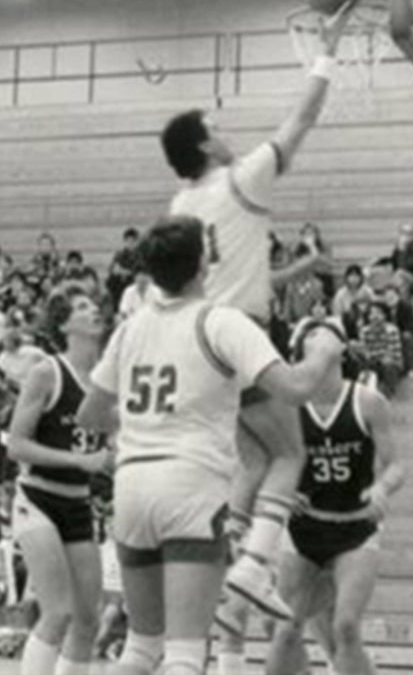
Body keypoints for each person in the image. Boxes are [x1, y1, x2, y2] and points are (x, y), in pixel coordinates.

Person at [75, 216, 343, 675]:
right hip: (190, 484)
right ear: (203, 263)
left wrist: (148, 422)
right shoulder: (221, 321)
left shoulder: (131, 326)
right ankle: (255, 565)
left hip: (132, 485)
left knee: (141, 647)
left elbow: (90, 415)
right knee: (184, 651)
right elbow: (295, 389)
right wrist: (323, 349)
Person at [160, 16, 348, 627]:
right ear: (207, 147)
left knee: (255, 461)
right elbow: (302, 121)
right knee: (292, 452)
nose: (225, 133)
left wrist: (298, 272)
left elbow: (240, 275)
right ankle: (252, 566)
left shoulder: (181, 206)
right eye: (216, 129)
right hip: (241, 335)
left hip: (199, 340)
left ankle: (235, 569)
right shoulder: (242, 179)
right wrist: (327, 52)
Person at [263, 321, 404, 675]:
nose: (317, 337)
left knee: (345, 626)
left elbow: (396, 466)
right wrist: (281, 489)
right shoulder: (289, 405)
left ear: (341, 349)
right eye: (309, 334)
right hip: (303, 530)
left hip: (354, 529)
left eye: (324, 333)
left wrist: (382, 487)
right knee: (283, 630)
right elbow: (264, 462)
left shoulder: (368, 402)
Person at [8, 287, 114, 675]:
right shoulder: (46, 372)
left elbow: (108, 445)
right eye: (82, 306)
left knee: (88, 617)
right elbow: (16, 445)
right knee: (57, 611)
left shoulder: (107, 380)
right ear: (65, 323)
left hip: (78, 501)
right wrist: (79, 459)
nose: (94, 310)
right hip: (37, 498)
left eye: (93, 303)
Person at [371, 223, 413, 295]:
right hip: (403, 281)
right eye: (403, 233)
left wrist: (402, 250)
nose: (405, 236)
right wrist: (378, 261)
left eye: (408, 234)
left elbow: (406, 266)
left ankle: (401, 301)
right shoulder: (398, 250)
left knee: (400, 274)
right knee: (400, 281)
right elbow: (393, 261)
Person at [105, 228, 141, 309]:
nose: (130, 244)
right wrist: (116, 271)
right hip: (120, 282)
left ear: (137, 242)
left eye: (133, 241)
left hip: (134, 280)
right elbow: (112, 268)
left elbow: (141, 269)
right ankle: (116, 309)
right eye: (128, 241)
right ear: (125, 242)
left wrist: (126, 272)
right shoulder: (120, 254)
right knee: (112, 281)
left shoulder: (141, 255)